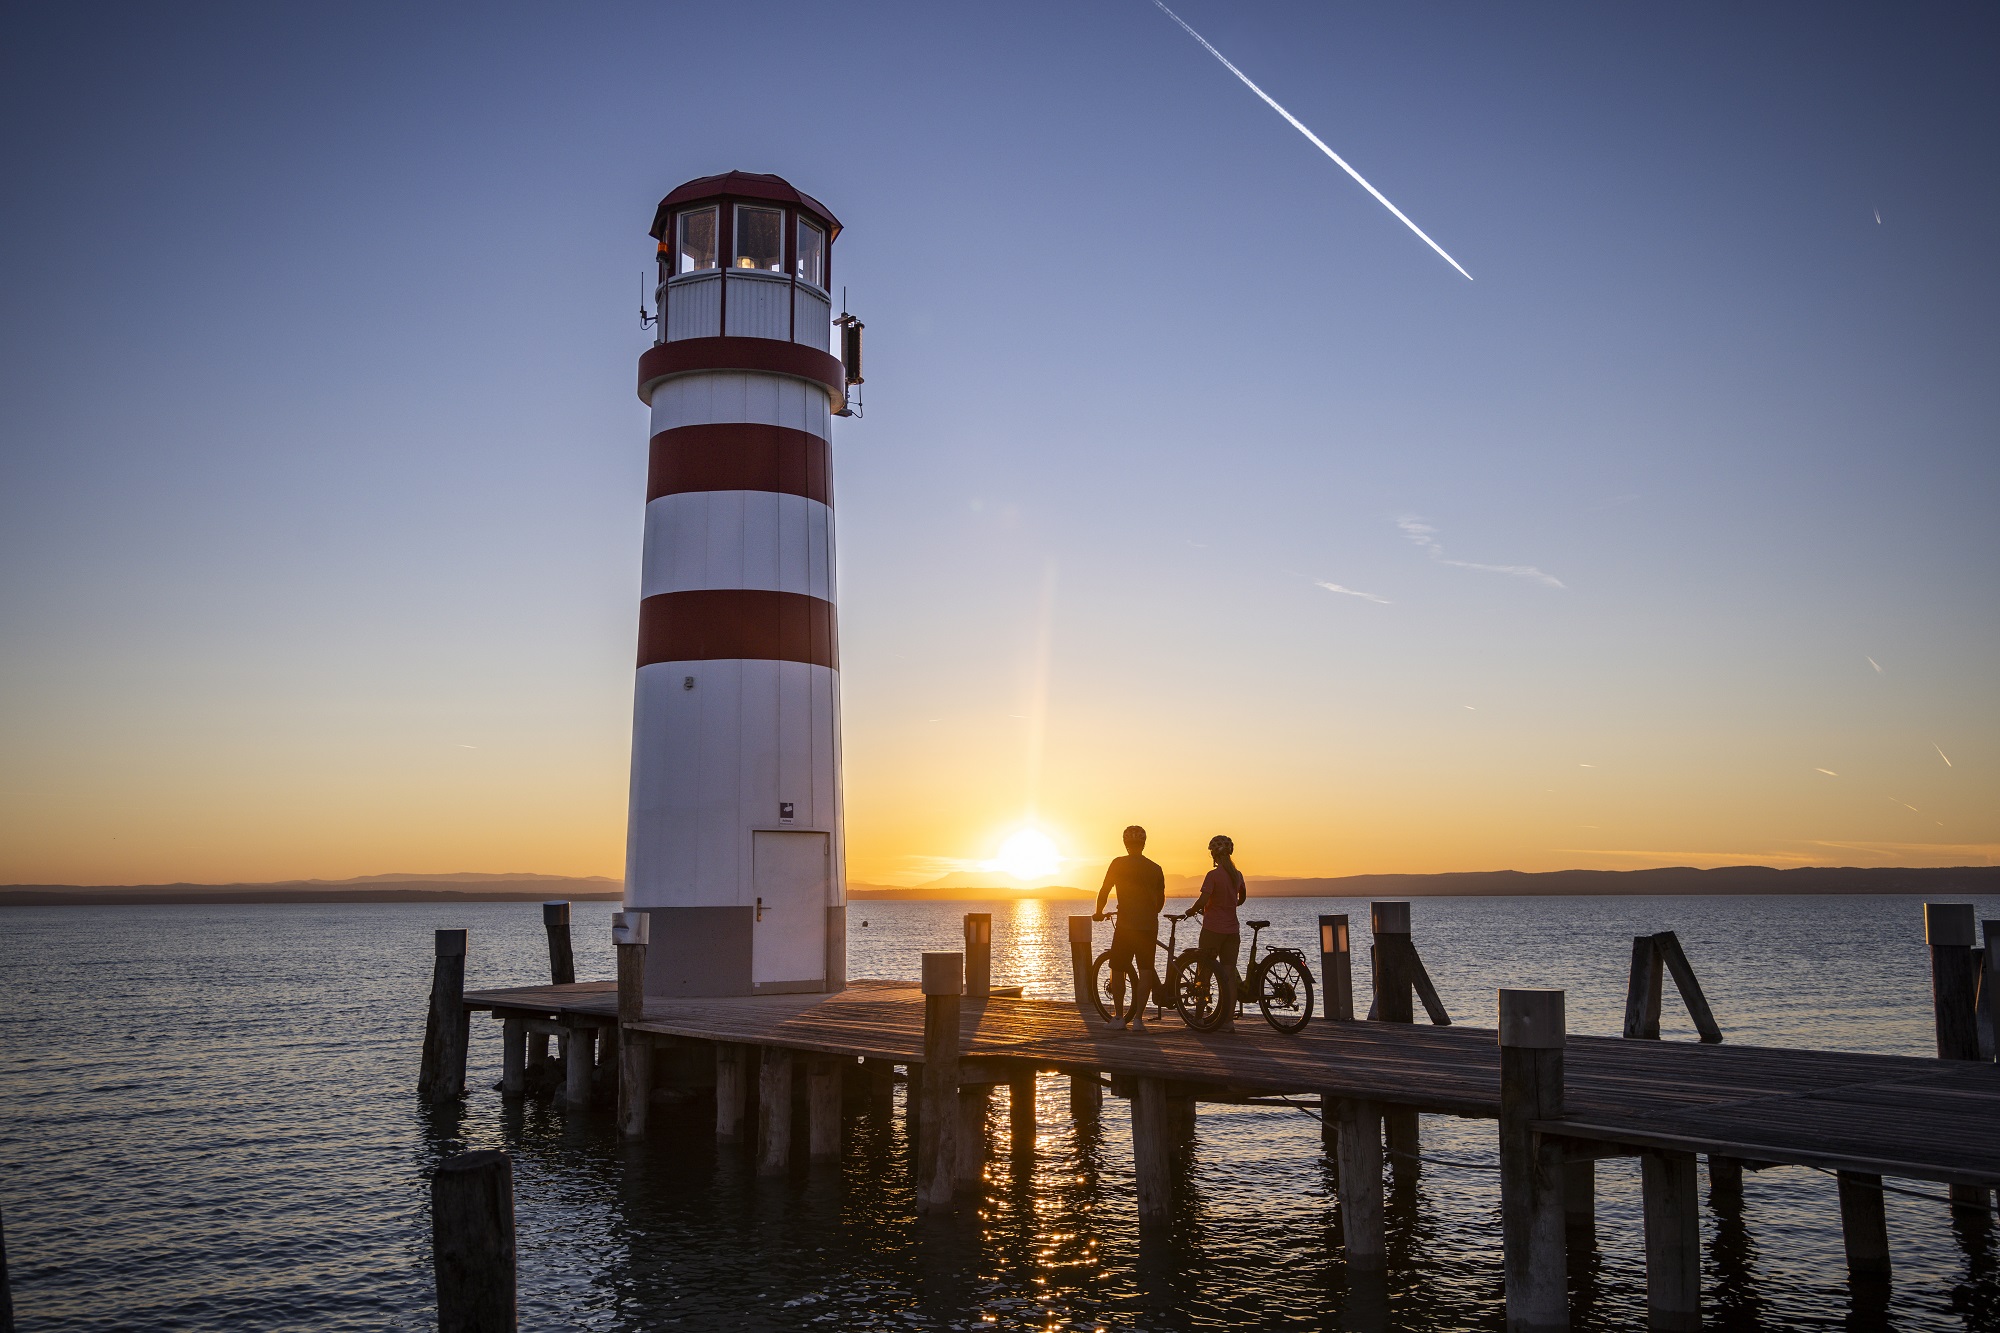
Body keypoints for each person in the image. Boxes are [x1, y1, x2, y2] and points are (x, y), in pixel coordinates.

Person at [1093, 824, 1166, 1030]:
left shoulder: (1118, 864)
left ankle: (1118, 1017)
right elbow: (1160, 902)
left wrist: (1099, 912)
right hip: (1149, 926)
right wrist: (1150, 911)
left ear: (1125, 844)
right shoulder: (1155, 867)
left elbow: (1105, 890)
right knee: (1145, 971)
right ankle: (1139, 1020)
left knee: (1117, 968)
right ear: (1143, 844)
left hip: (1126, 925)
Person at [1183, 834, 1246, 1032]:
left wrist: (1192, 910)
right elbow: (1241, 898)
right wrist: (1229, 904)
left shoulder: (1213, 876)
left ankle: (1199, 1018)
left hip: (1212, 930)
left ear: (1213, 854)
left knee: (1204, 973)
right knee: (1228, 975)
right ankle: (1228, 1021)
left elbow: (1203, 900)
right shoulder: (1238, 875)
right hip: (1232, 931)